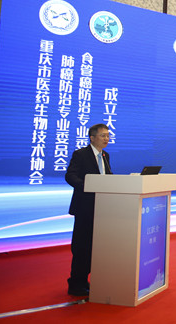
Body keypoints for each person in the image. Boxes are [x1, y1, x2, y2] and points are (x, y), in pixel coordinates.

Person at [65, 123, 112, 296]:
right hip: (84, 207)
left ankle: (87, 280)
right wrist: (87, 185)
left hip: (101, 207)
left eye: (108, 135)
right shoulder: (81, 154)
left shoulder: (105, 155)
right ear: (92, 138)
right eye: (103, 135)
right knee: (81, 247)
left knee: (95, 247)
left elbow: (107, 177)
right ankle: (76, 283)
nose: (106, 139)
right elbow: (70, 175)